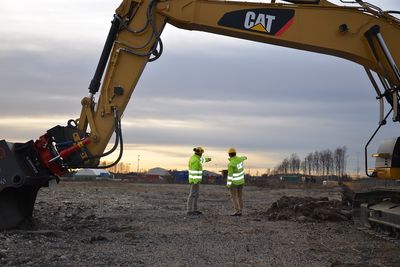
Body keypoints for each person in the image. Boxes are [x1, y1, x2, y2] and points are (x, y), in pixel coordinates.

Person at [186, 147, 211, 215]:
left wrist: (207, 159)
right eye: (202, 153)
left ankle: (194, 210)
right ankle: (189, 210)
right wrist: (196, 181)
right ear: (200, 153)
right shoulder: (196, 160)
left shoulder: (195, 158)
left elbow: (202, 160)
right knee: (192, 194)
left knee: (196, 195)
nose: (202, 154)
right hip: (195, 181)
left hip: (195, 180)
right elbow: (194, 172)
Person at [226, 147, 247, 216]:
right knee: (240, 196)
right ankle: (241, 210)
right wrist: (245, 157)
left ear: (229, 155)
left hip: (234, 183)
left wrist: (228, 185)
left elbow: (230, 175)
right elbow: (244, 157)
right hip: (241, 182)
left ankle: (237, 211)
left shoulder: (231, 164)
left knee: (234, 197)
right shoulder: (240, 159)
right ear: (235, 153)